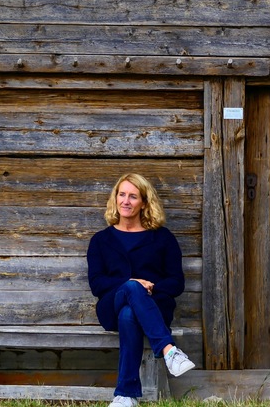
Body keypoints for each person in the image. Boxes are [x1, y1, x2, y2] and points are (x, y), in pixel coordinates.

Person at [86, 173, 196, 407]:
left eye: (133, 196)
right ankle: (168, 350)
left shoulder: (163, 238)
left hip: (155, 307)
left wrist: (149, 287)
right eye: (122, 194)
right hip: (110, 308)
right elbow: (97, 284)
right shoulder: (100, 240)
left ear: (144, 202)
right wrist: (133, 283)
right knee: (128, 293)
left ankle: (126, 395)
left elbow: (176, 283)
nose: (126, 201)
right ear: (115, 199)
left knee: (130, 314)